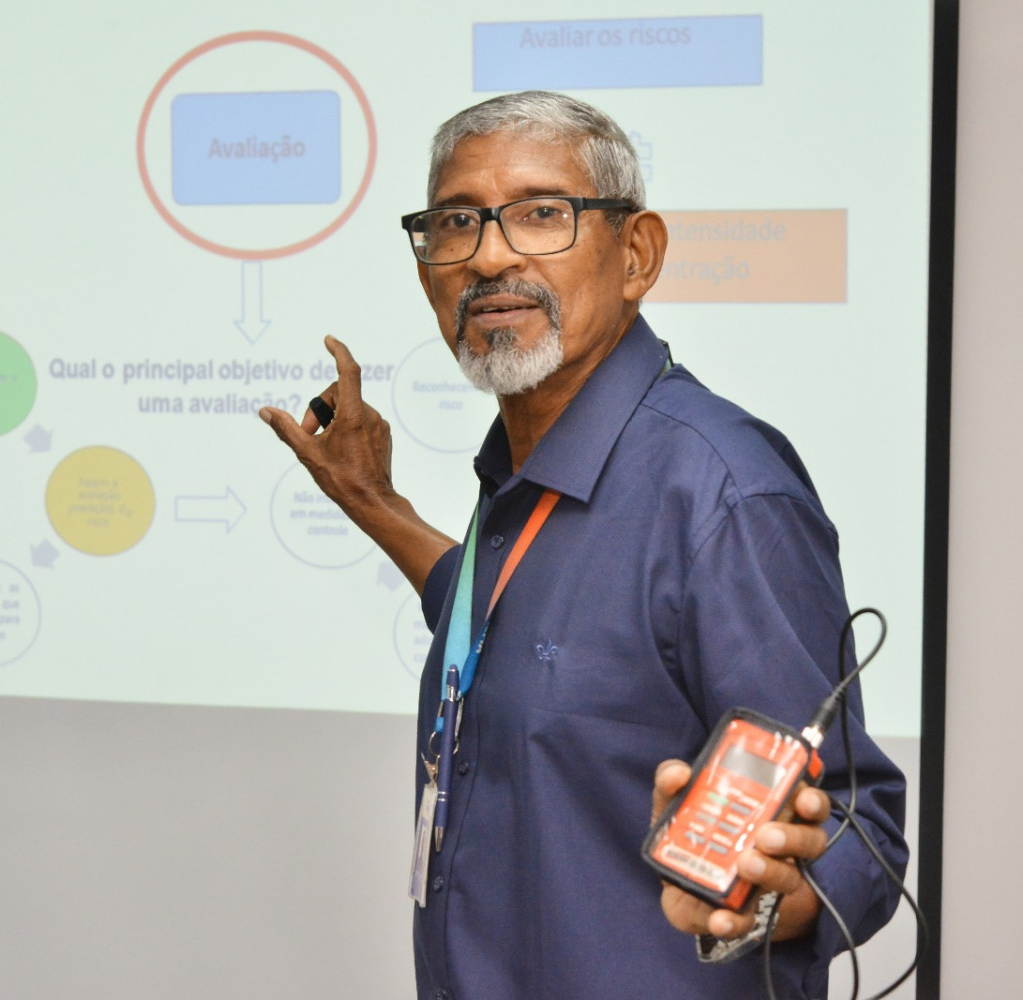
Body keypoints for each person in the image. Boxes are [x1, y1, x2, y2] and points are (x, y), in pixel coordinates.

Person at [261, 91, 906, 999]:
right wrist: (374, 502)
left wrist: (773, 890)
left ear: (636, 255)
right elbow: (509, 629)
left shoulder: (720, 494)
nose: (489, 256)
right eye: (456, 223)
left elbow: (859, 828)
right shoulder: (521, 469)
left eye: (540, 214)